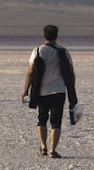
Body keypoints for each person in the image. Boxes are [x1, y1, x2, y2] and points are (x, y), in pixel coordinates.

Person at [20, 25, 77, 158]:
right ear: (56, 35)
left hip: (41, 91)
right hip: (59, 91)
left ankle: (43, 147)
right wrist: (71, 88)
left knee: (42, 119)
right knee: (56, 122)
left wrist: (25, 90)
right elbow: (71, 72)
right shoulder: (63, 51)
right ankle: (52, 150)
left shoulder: (37, 51)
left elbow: (30, 72)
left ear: (44, 36)